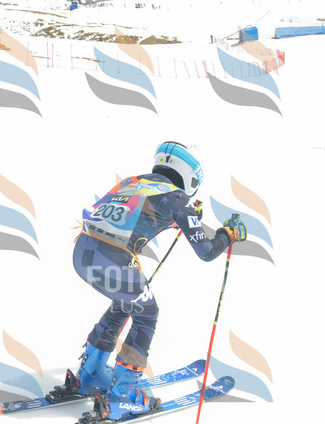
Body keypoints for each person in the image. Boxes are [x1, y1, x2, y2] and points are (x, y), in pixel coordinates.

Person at [69, 142, 246, 420]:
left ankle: (90, 372)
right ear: (189, 176)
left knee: (125, 303)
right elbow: (207, 252)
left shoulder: (133, 182)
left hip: (81, 252)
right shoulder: (178, 198)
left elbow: (136, 215)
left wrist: (181, 217)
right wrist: (228, 234)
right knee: (146, 314)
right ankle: (122, 394)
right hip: (113, 262)